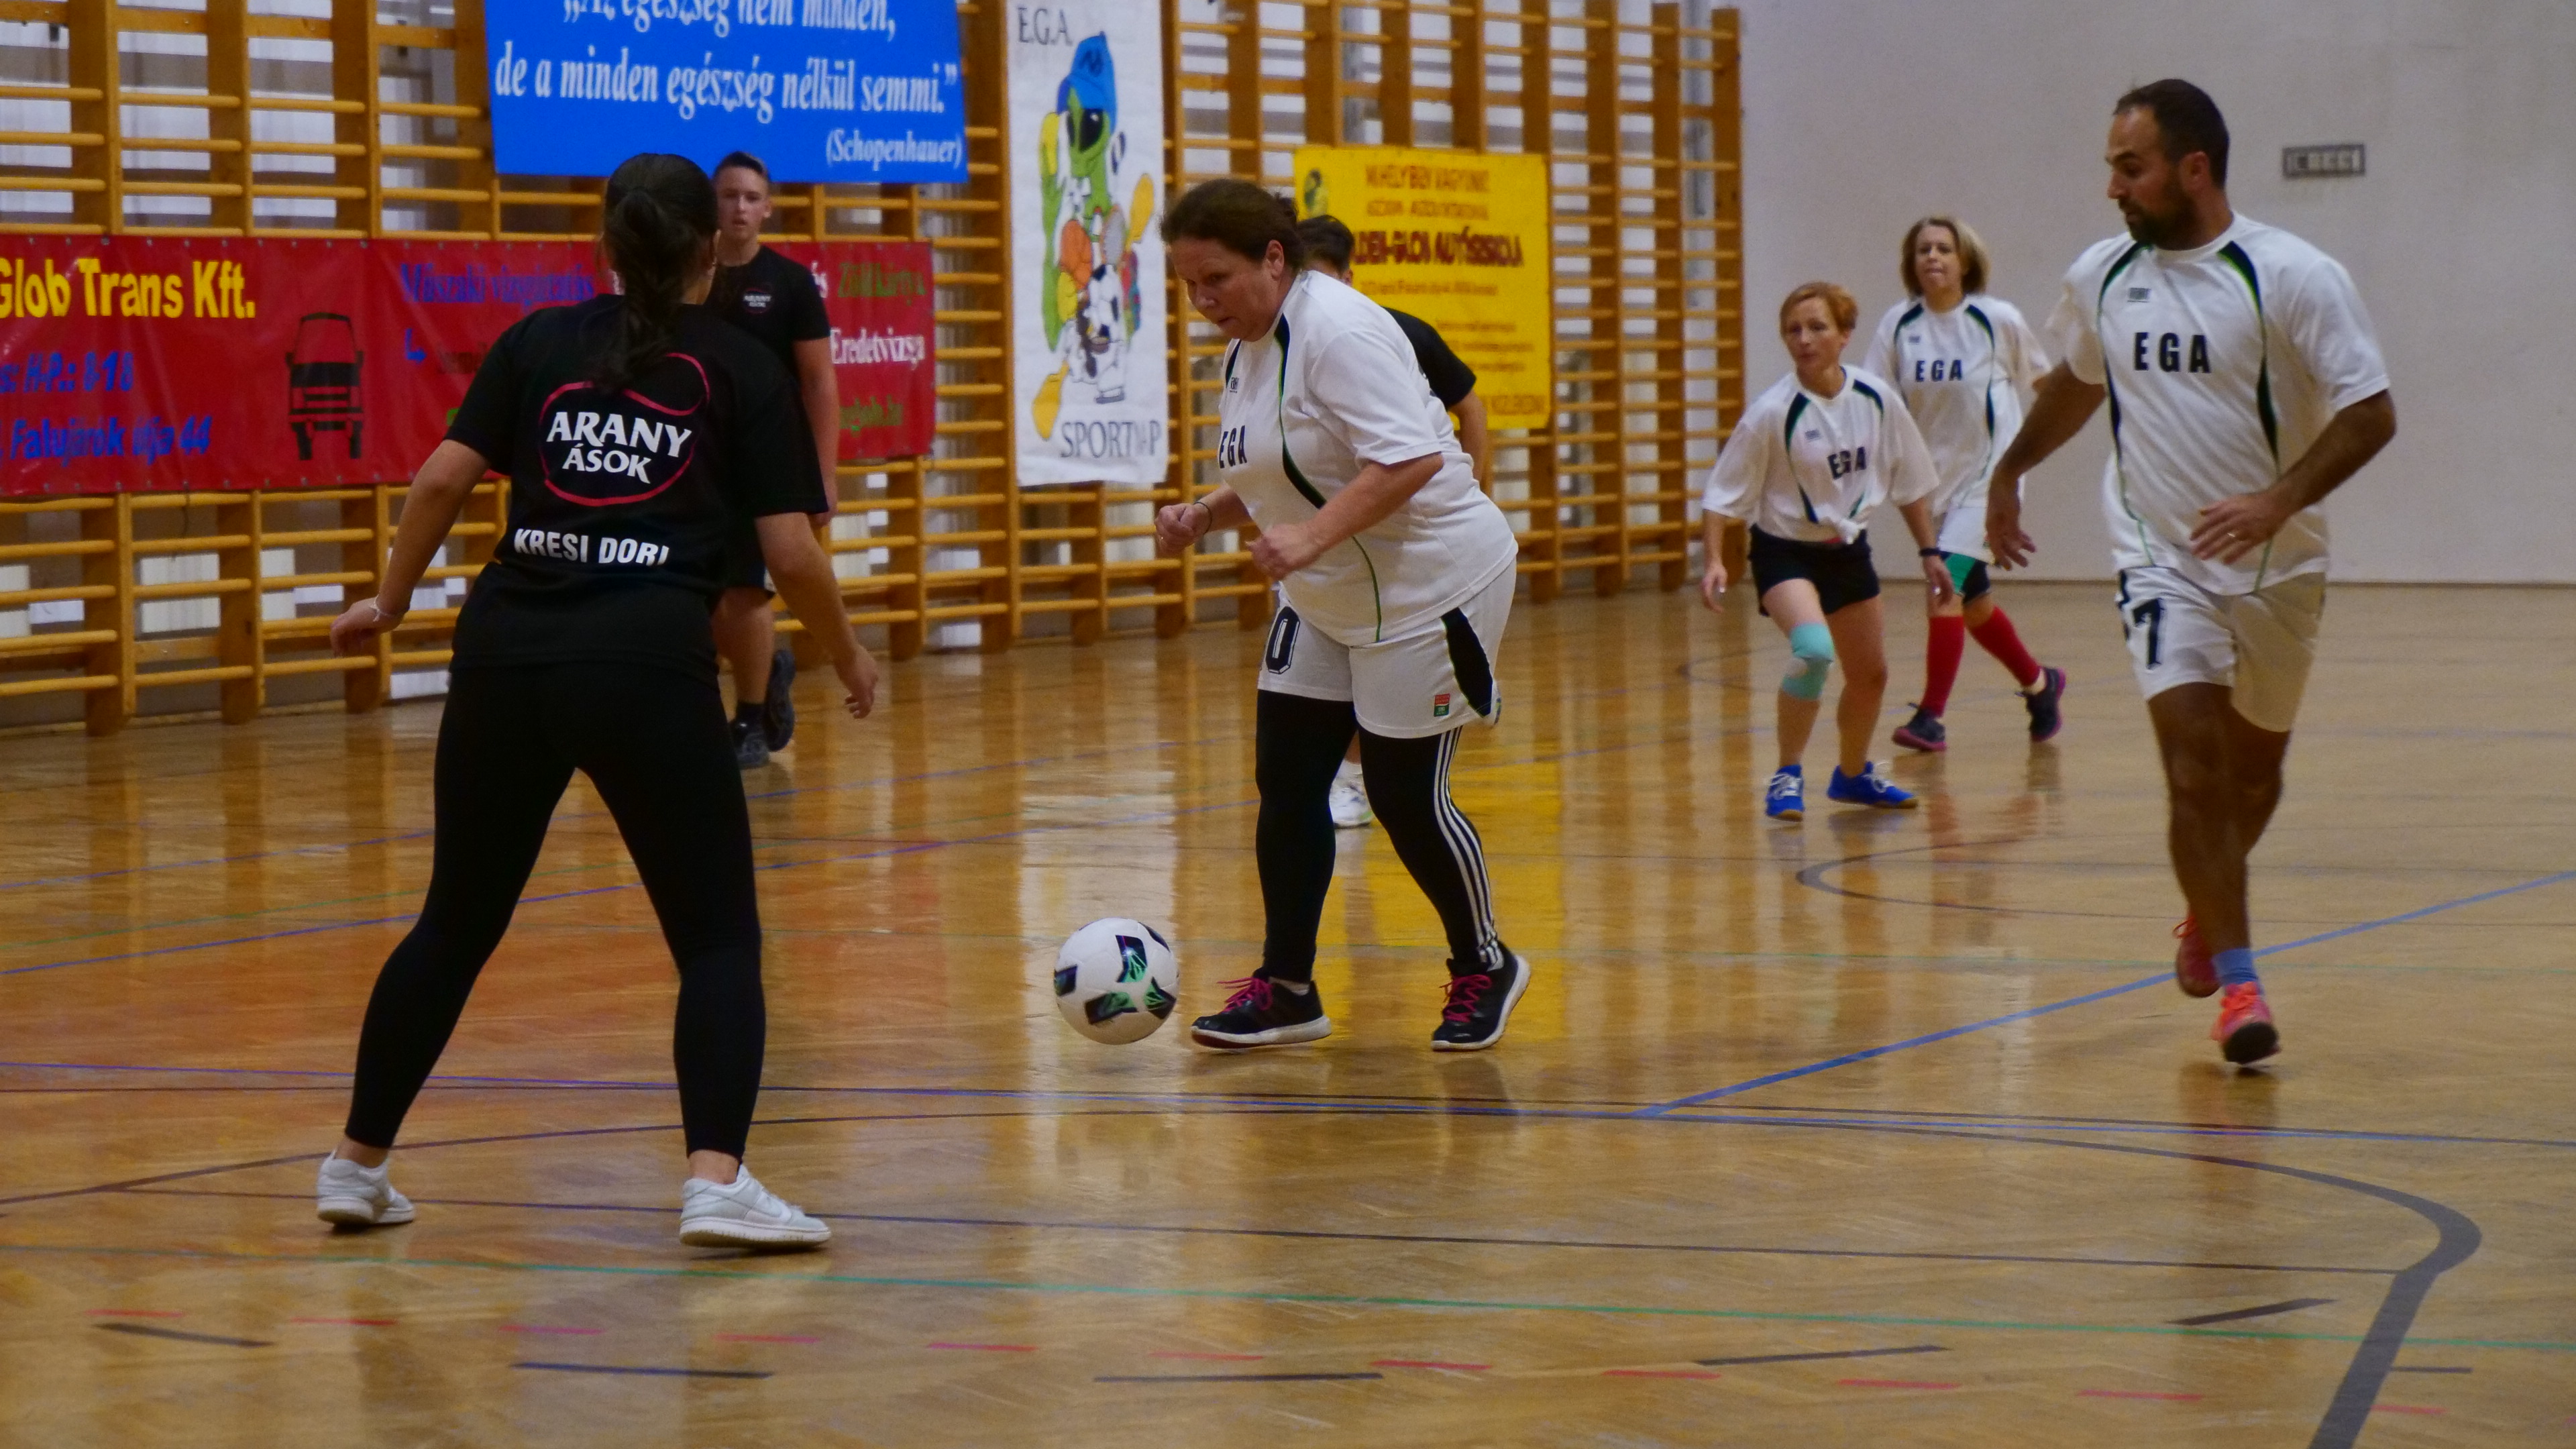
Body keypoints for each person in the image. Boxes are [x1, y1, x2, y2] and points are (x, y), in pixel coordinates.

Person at [309, 154, 881, 1246]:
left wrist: (388, 602)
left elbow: (440, 479)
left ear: (606, 247)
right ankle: (717, 1181)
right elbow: (790, 552)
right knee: (717, 940)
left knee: (454, 923)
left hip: (506, 656)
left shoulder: (538, 341)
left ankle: (355, 1165)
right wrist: (848, 655)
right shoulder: (738, 367)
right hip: (643, 667)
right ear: (710, 250)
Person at [1986, 80, 2396, 1065]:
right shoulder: (2103, 276)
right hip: (2158, 556)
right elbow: (2078, 382)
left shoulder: (2292, 275)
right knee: (2193, 770)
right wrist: (2008, 473)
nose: (2113, 187)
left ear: (2194, 169)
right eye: (2112, 168)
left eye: (2131, 168)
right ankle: (2242, 988)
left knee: (2255, 778)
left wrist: (2277, 502)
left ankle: (2206, 911)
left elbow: (2371, 413)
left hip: (2279, 567)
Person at [1155, 178, 1530, 1052]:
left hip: (1428, 581)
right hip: (1328, 586)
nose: (1202, 301)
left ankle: (1484, 961)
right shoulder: (1247, 345)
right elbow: (1281, 469)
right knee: (1288, 778)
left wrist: (1310, 537)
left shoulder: (1341, 332)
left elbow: (1408, 460)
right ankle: (1288, 989)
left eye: (1215, 280)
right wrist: (1206, 514)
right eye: (1188, 285)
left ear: (1273, 258)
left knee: (1404, 796)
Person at [1699, 282, 1952, 821]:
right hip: (1785, 551)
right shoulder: (1772, 412)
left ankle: (1853, 775)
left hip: (1847, 550)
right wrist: (1715, 559)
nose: (1804, 339)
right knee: (1813, 651)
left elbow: (1910, 483)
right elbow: (1721, 495)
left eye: (1817, 327)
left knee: (1871, 674)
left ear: (1844, 335)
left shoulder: (1876, 400)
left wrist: (1930, 551)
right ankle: (1787, 774)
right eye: (1793, 330)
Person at [1294, 213, 1495, 832]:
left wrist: (1475, 489)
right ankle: (1341, 778)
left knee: (1391, 694)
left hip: (1408, 549)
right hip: (1330, 552)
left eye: (1321, 280)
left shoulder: (1392, 333)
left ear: (1348, 278)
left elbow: (1471, 409)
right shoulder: (1277, 349)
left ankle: (1368, 777)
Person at [1860, 217, 2067, 753]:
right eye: (1923, 250)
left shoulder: (1996, 319)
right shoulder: (1898, 325)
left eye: (1944, 249)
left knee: (1943, 588)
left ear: (1965, 260)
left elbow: (2048, 387)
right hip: (1933, 484)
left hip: (1988, 482)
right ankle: (2041, 685)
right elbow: (1875, 401)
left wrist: (2025, 462)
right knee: (1973, 607)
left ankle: (1931, 717)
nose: (1932, 257)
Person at [708, 151, 842, 769]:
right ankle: (767, 675)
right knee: (699, 595)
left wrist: (822, 476)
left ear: (767, 208)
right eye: (729, 195)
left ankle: (750, 717)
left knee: (744, 591)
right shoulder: (694, 276)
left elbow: (819, 382)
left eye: (750, 197)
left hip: (762, 461)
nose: (739, 207)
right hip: (697, 457)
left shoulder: (789, 284)